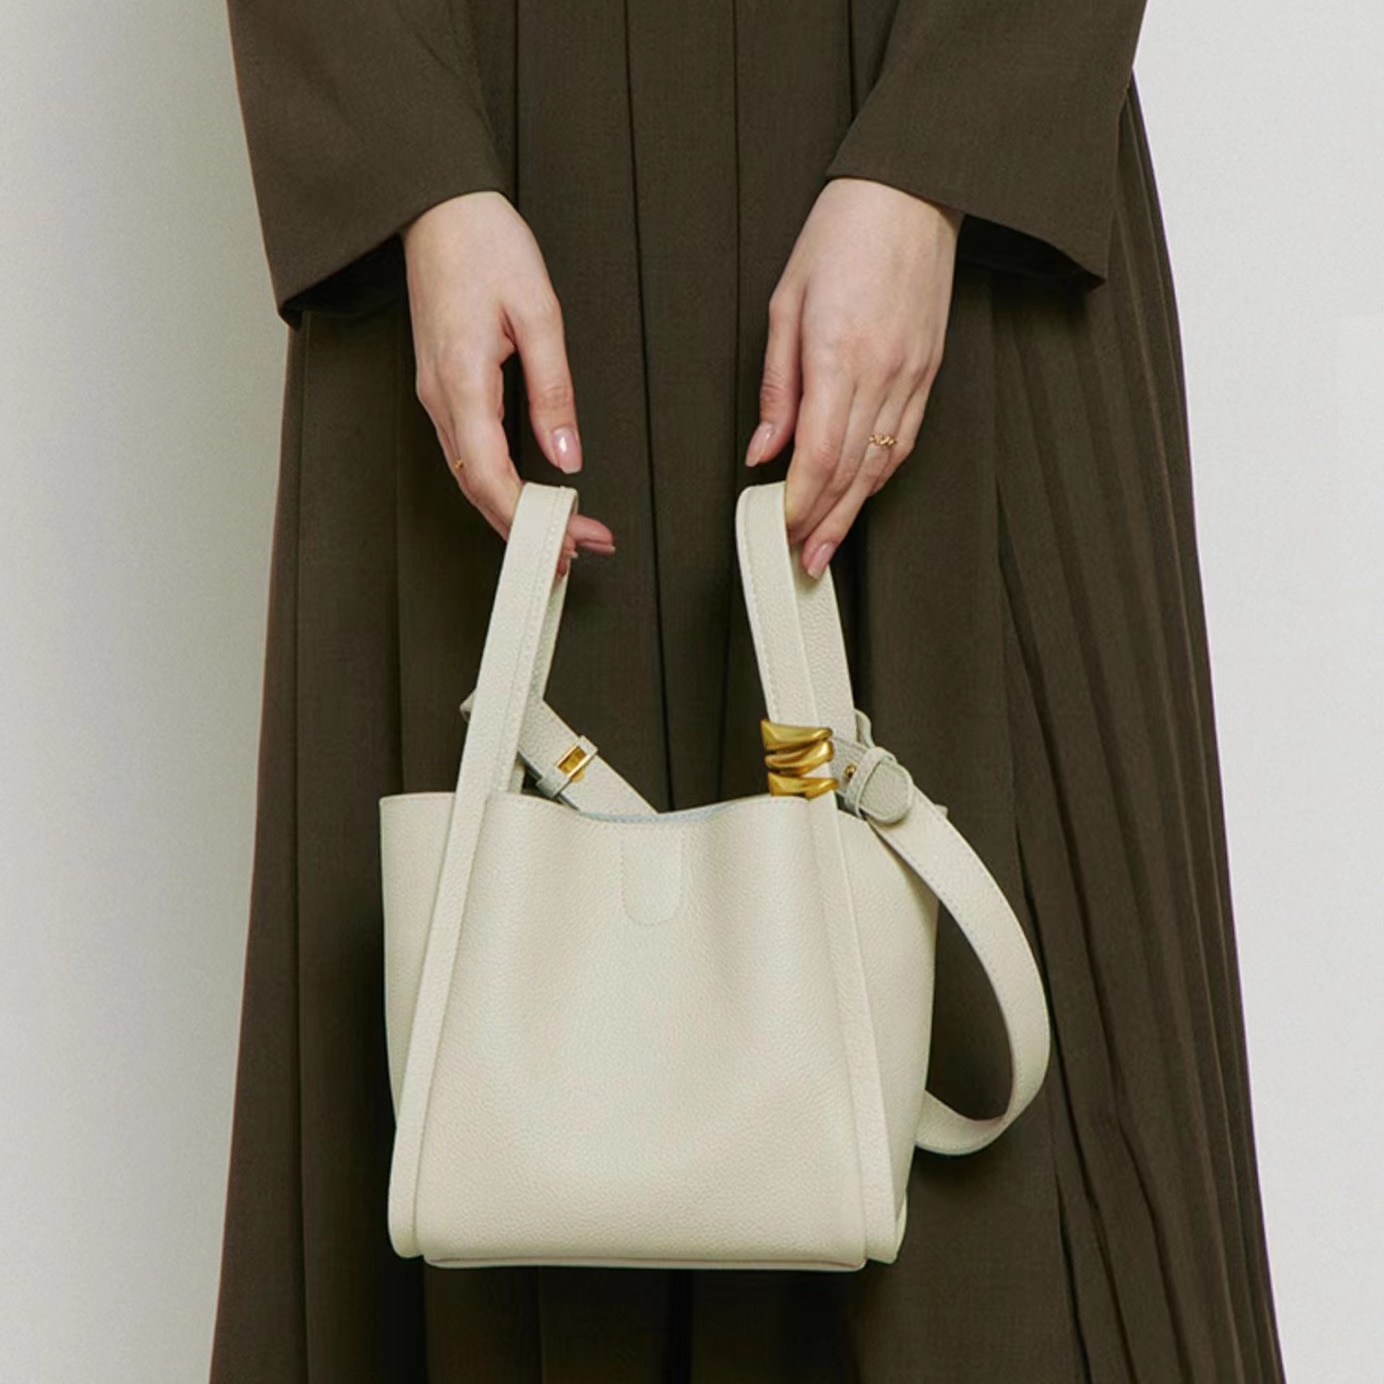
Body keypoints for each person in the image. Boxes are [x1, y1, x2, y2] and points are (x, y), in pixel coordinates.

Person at [210, 0, 1289, 1380]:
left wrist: (938, 155)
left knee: (1023, 1202)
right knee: (494, 1111)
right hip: (491, 179)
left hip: (926, 176)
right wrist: (415, 171)